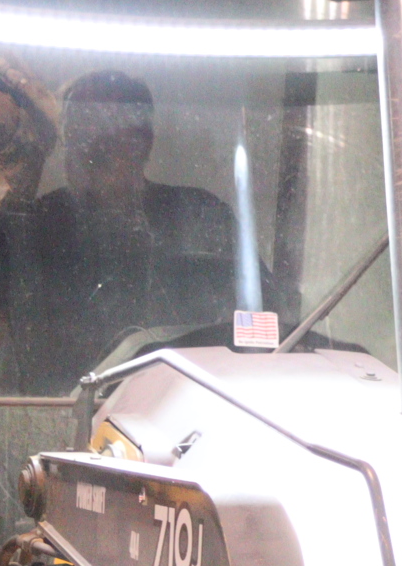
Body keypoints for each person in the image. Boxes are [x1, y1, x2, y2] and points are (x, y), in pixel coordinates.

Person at [20, 70, 239, 389]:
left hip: (181, 402)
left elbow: (261, 324)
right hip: (59, 408)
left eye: (105, 144)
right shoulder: (35, 226)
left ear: (143, 143)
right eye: (78, 138)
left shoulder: (200, 218)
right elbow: (3, 351)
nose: (88, 153)